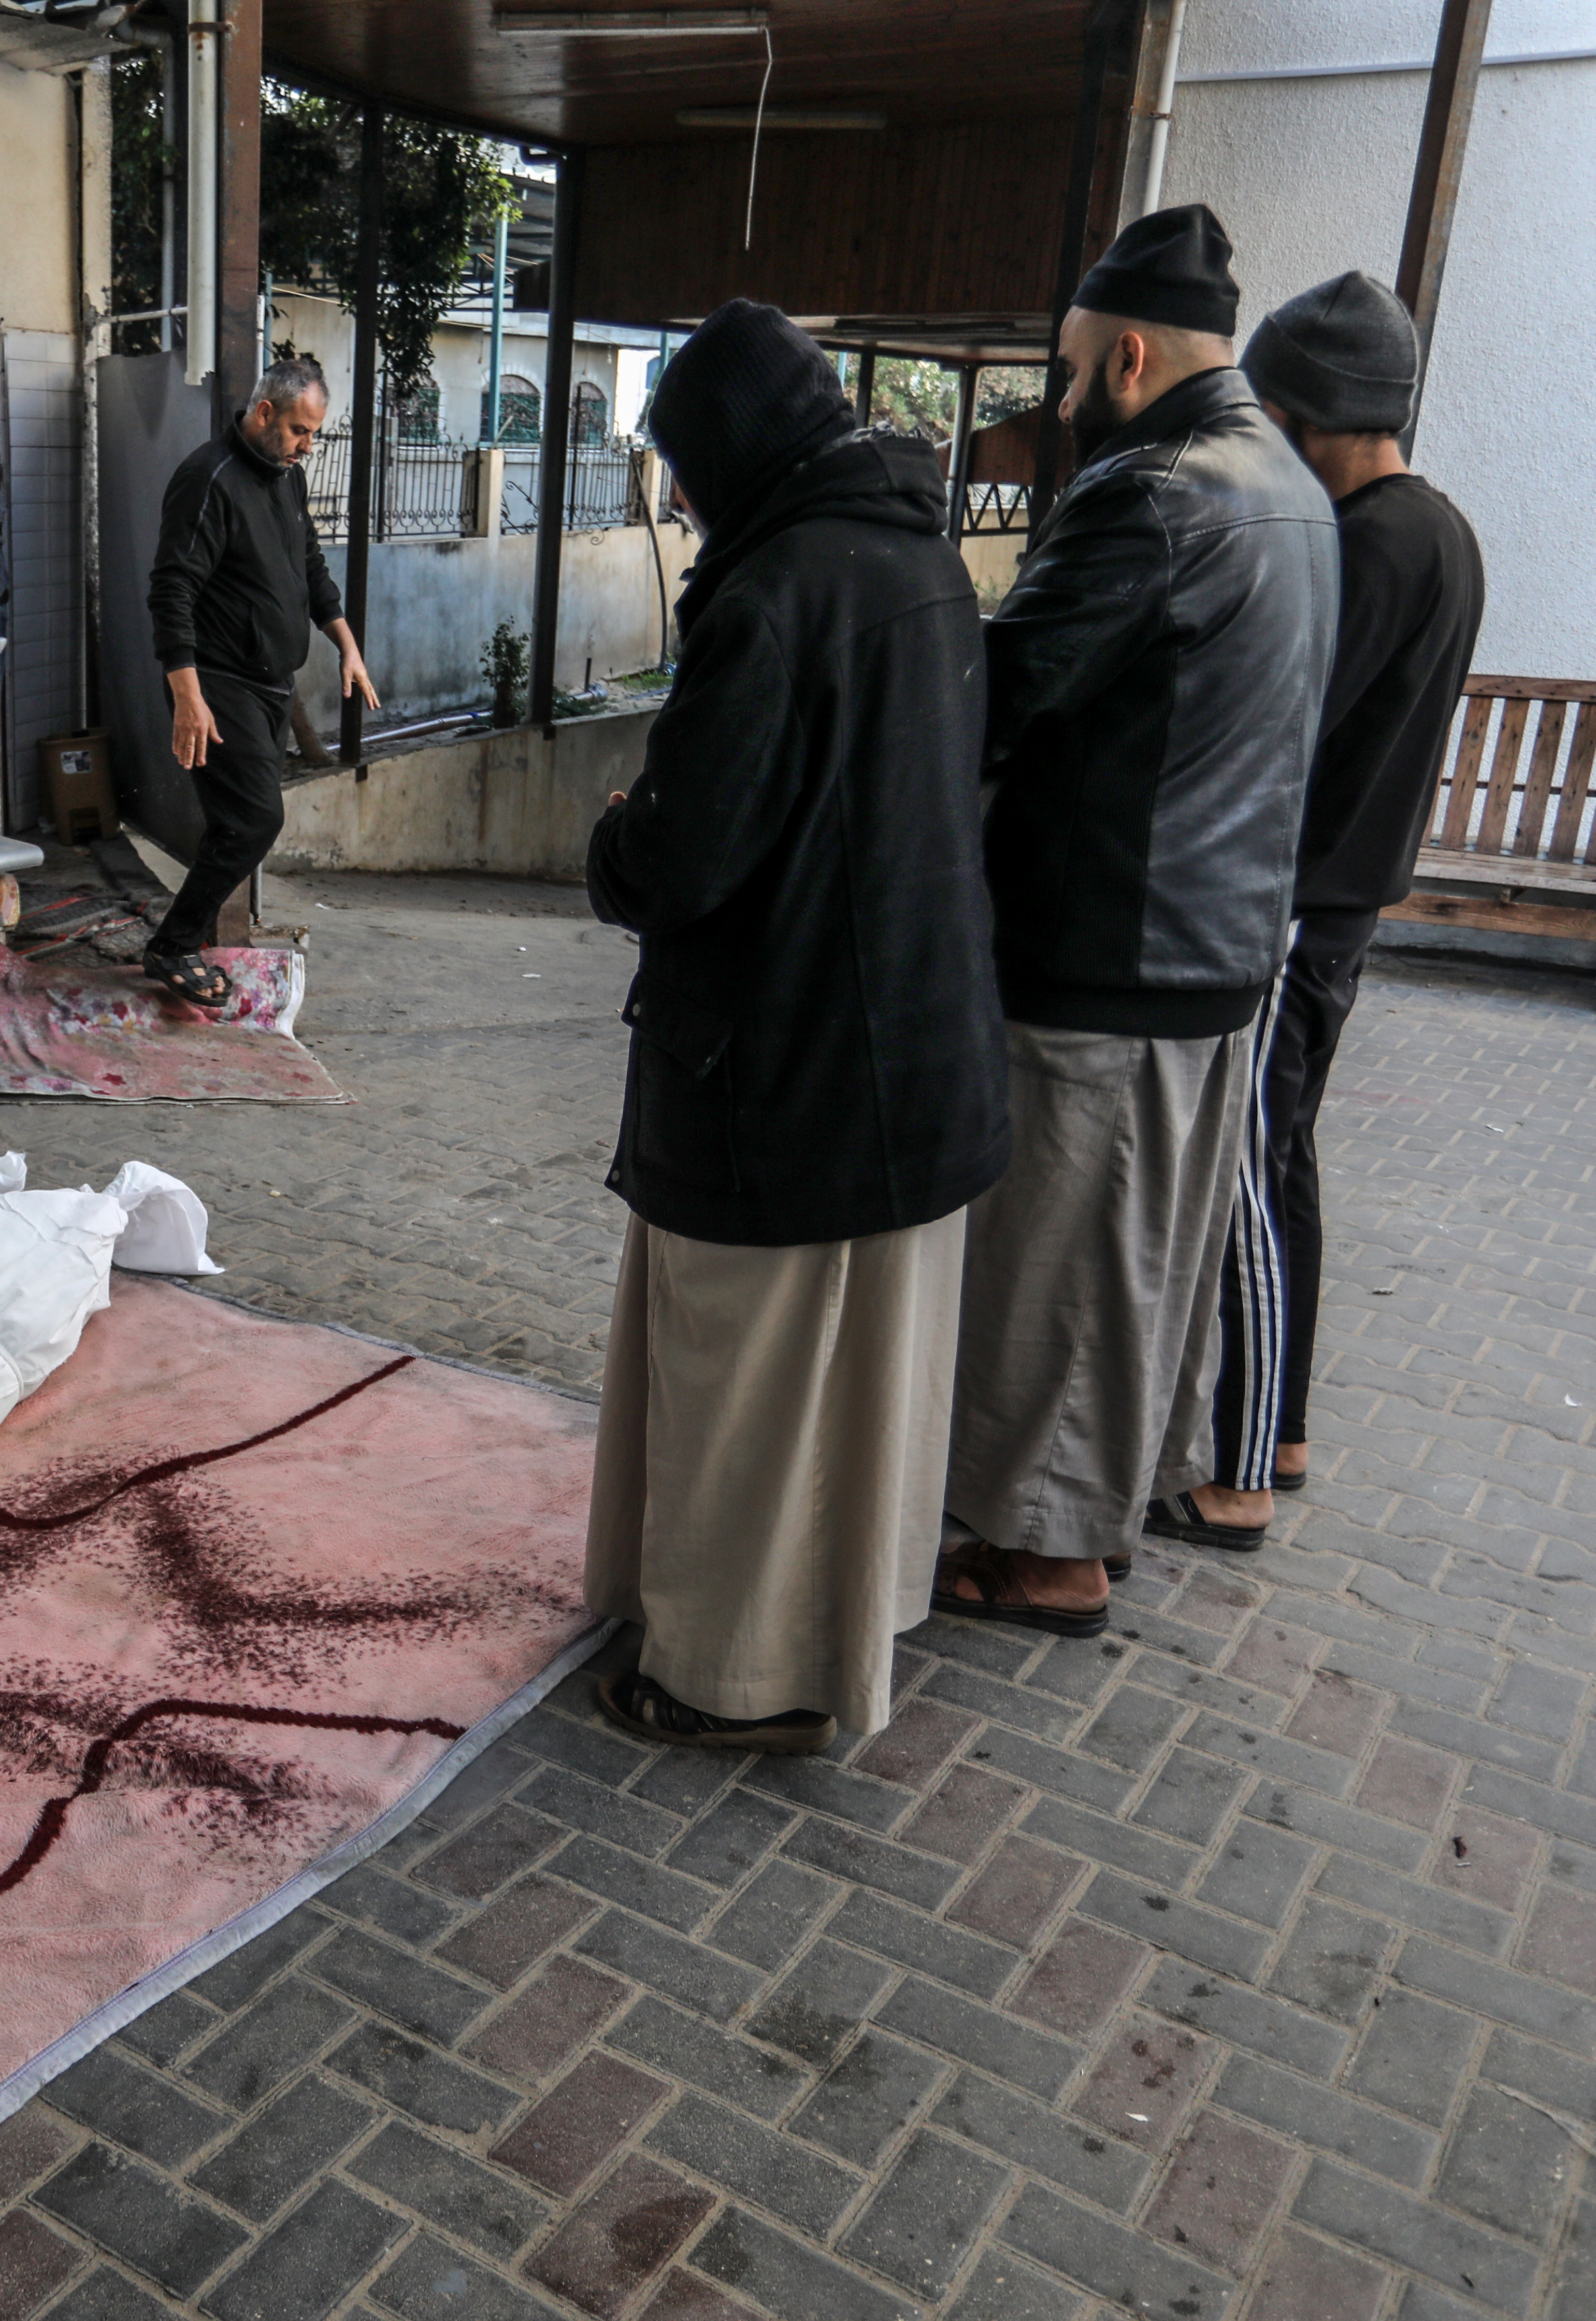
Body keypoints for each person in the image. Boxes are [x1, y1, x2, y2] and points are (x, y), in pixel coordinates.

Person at [583, 299, 1011, 1753]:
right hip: (912, 1051)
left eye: (688, 466)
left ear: (737, 450)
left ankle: (723, 1678)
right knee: (865, 1393)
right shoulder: (922, 561)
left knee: (747, 1397)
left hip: (784, 1070)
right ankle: (853, 1621)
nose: (686, 500)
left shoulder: (771, 595)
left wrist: (614, 838)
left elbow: (687, 855)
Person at [931, 204, 1340, 1638]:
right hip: (1220, 948)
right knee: (1139, 1268)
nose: (1059, 397)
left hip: (1112, 951)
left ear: (1128, 356)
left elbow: (1003, 691)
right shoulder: (1289, 482)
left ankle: (1049, 1557)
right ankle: (1097, 1515)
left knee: (1068, 1267)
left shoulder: (1153, 491)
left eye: (1068, 367)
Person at [1147, 271, 1487, 1555]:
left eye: (1276, 410)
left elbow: (1287, 720)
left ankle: (1237, 1476)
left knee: (1246, 1171)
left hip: (1298, 905)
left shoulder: (1375, 542)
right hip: (1341, 903)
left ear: (1317, 414)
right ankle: (1277, 1424)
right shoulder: (1440, 529)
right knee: (1283, 1162)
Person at [143, 355, 378, 1006]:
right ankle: (173, 944)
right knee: (254, 820)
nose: (308, 446)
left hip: (271, 684)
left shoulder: (284, 477)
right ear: (266, 413)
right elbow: (172, 591)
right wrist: (187, 698)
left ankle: (186, 943)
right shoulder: (207, 480)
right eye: (302, 431)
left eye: (315, 434)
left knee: (235, 823)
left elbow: (310, 566)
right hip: (218, 683)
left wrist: (346, 647)